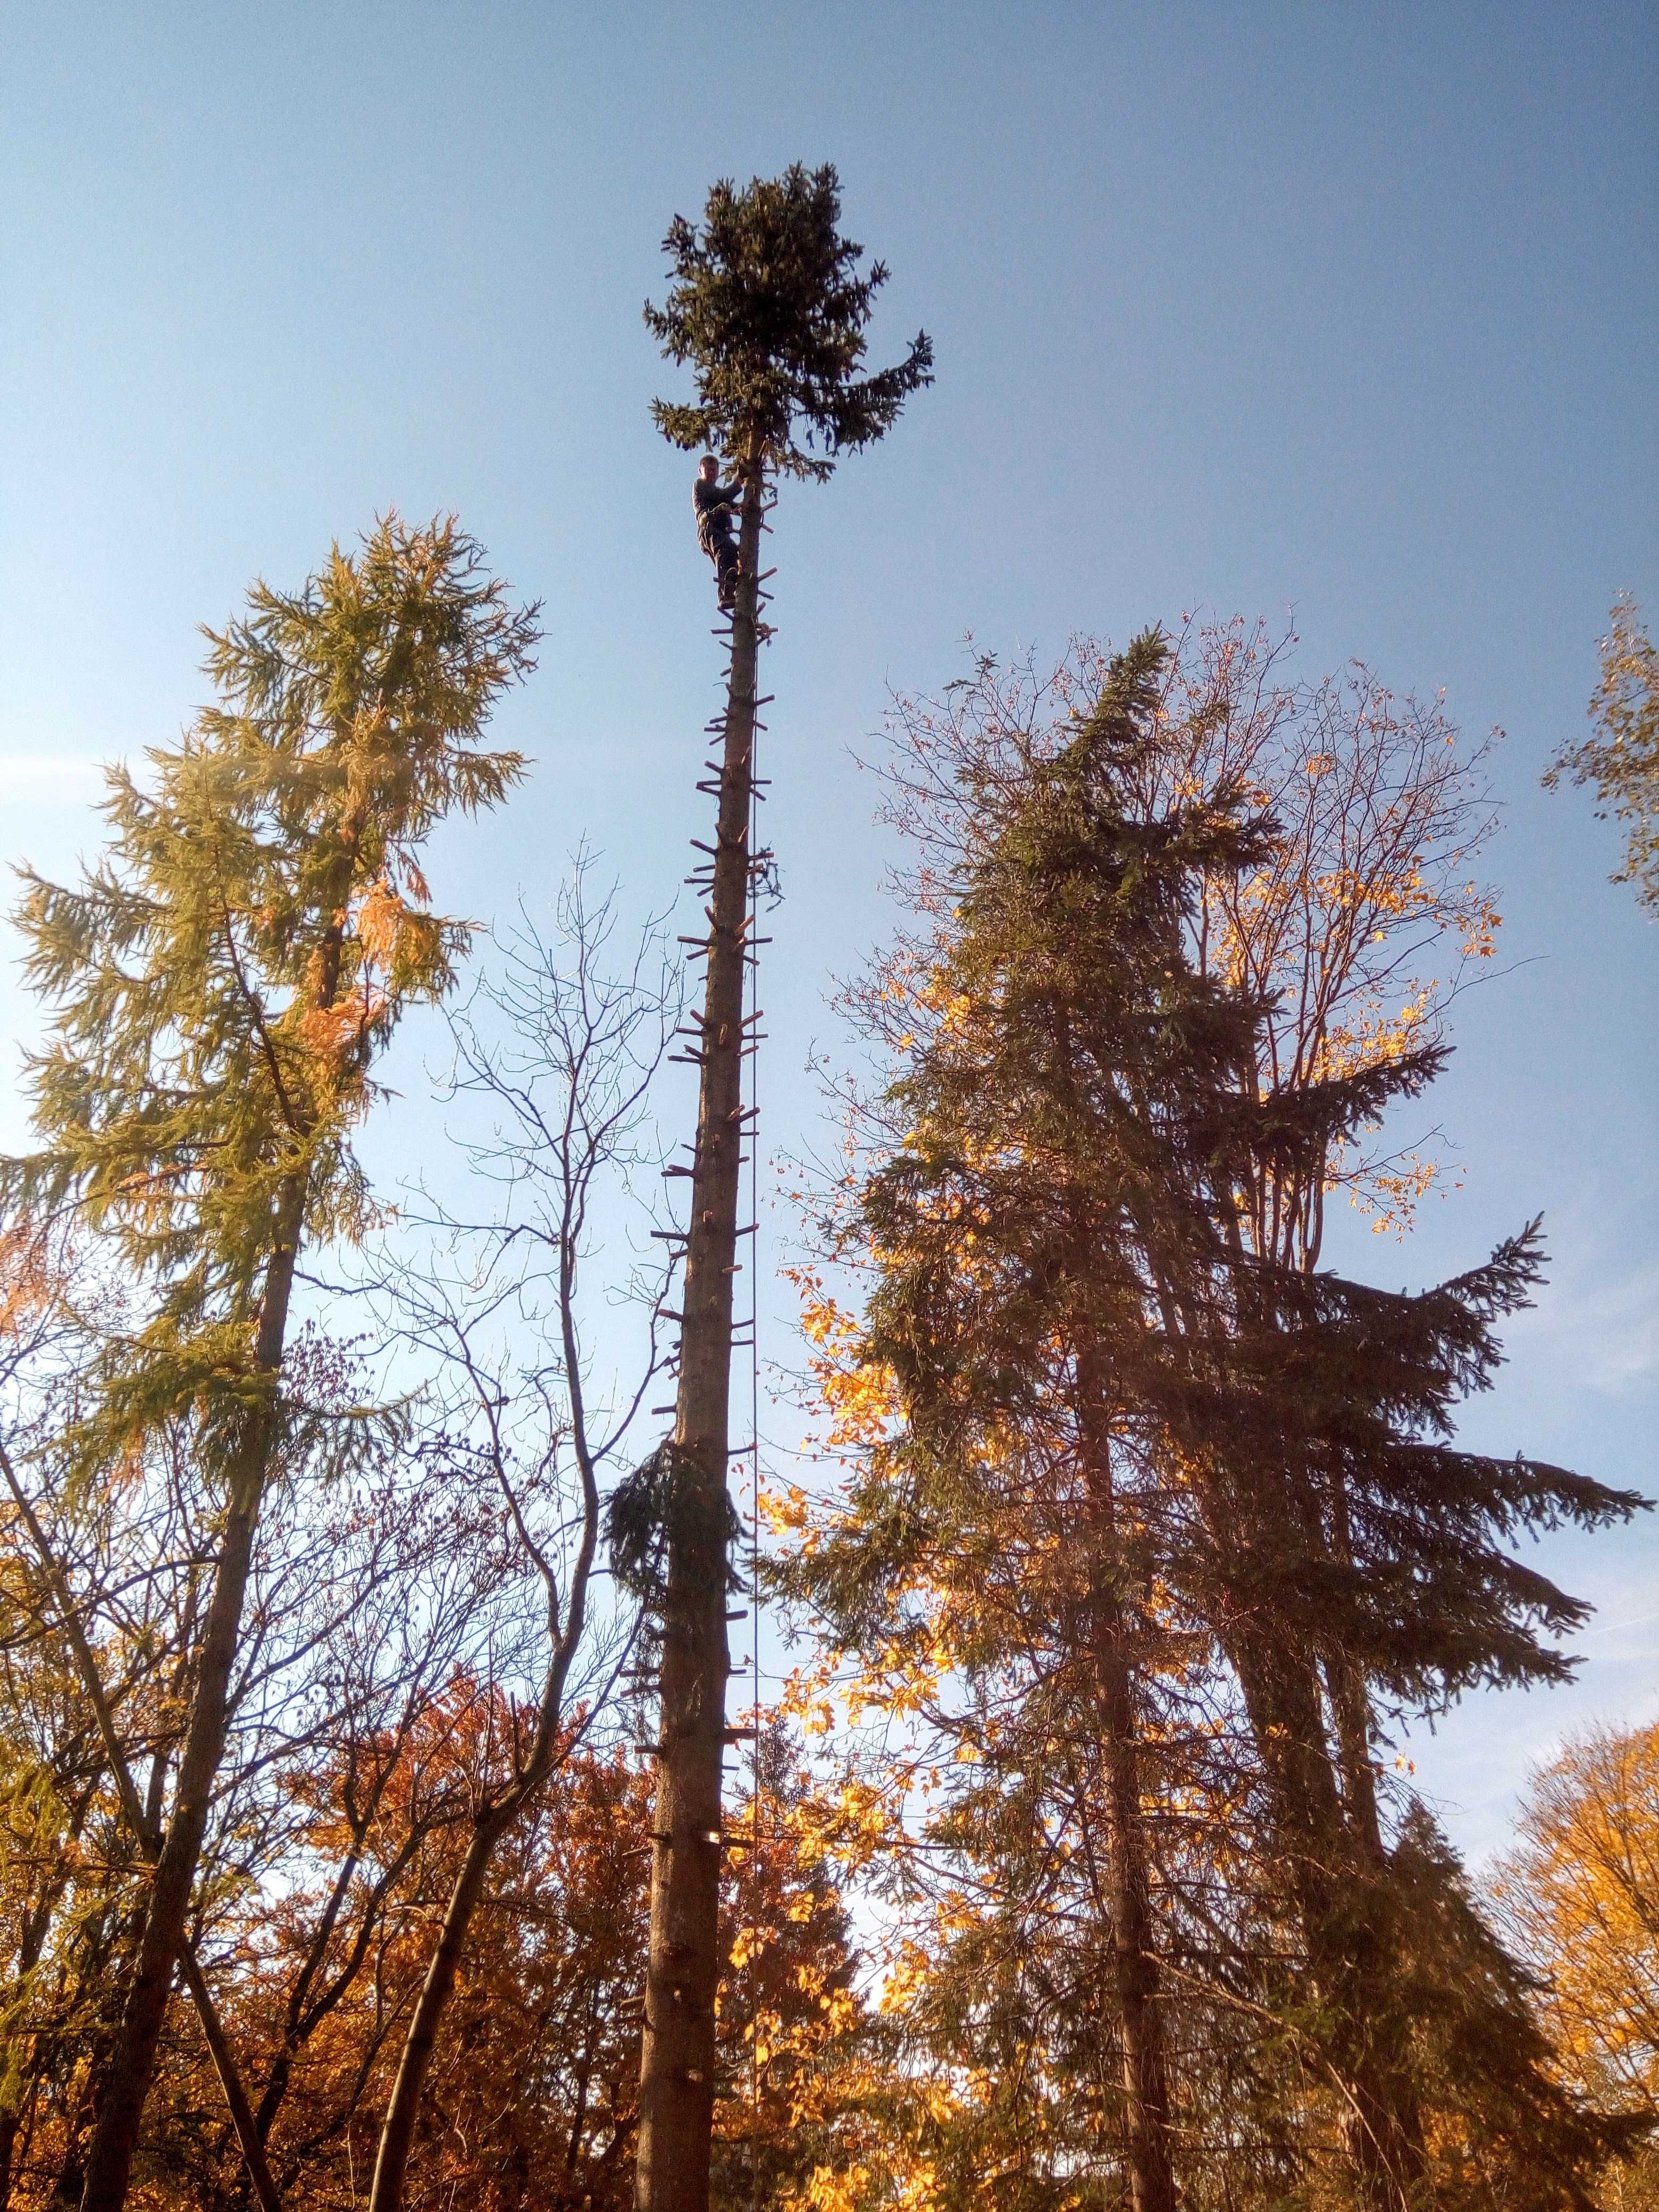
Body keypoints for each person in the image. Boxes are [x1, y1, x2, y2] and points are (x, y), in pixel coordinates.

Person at [693, 455, 742, 611]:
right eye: (709, 470)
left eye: (715, 470)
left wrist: (744, 508)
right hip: (709, 529)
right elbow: (723, 496)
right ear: (701, 470)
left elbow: (731, 503)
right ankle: (724, 595)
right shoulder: (700, 485)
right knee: (724, 548)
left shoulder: (716, 492)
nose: (713, 473)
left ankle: (730, 586)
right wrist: (738, 481)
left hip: (718, 532)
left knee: (732, 553)